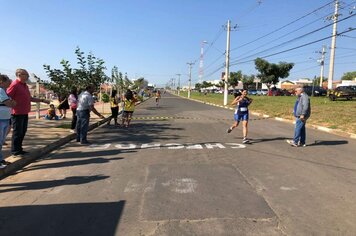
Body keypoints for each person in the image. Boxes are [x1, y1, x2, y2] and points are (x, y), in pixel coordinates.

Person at [7, 69, 50, 156]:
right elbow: (7, 96)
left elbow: (29, 98)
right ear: (19, 75)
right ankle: (15, 151)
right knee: (17, 132)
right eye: (26, 75)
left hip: (24, 112)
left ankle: (19, 149)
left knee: (23, 131)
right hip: (17, 113)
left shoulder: (25, 86)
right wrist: (12, 103)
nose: (28, 76)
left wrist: (42, 100)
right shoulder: (14, 85)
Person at [0, 74, 16, 168]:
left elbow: (12, 103)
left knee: (1, 141)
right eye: (8, 81)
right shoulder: (0, 90)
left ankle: (1, 160)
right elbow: (9, 103)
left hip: (5, 118)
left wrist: (11, 103)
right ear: (2, 81)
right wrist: (11, 103)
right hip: (1, 118)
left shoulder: (5, 91)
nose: (9, 83)